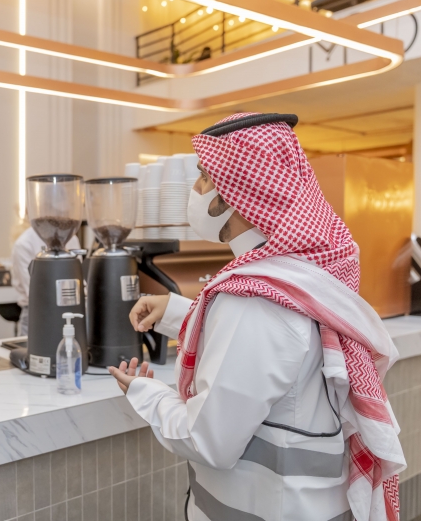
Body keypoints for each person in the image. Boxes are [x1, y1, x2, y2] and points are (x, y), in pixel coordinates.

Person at [109, 113, 405, 521]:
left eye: (205, 178)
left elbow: (208, 440)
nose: (195, 191)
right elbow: (283, 346)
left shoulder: (253, 303)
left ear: (240, 191)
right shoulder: (303, 275)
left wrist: (146, 393)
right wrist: (179, 311)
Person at [10, 224, 80, 336]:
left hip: (71, 311)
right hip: (37, 314)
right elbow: (33, 292)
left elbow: (78, 278)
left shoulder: (72, 238)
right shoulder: (24, 244)